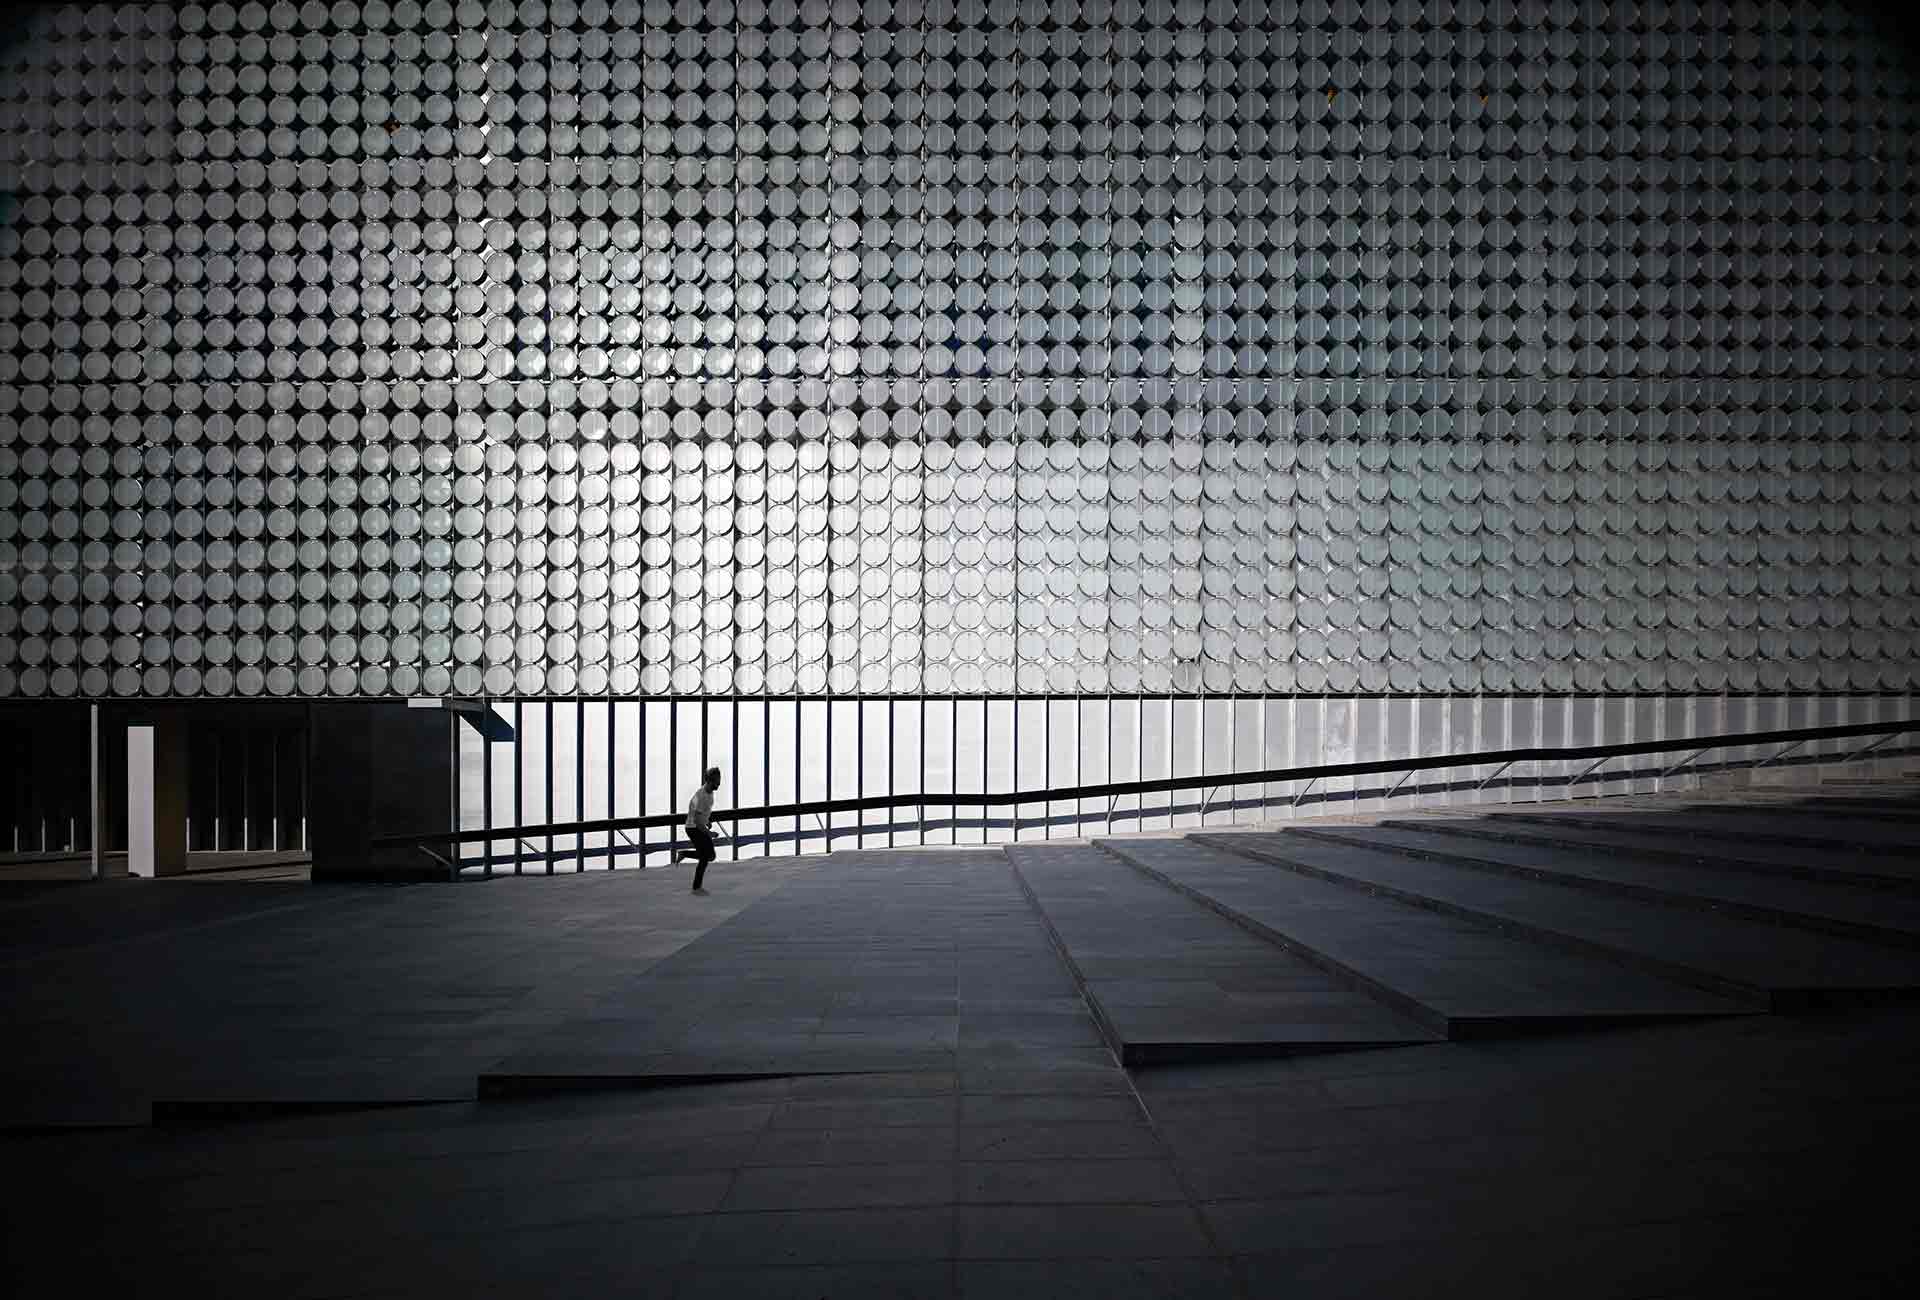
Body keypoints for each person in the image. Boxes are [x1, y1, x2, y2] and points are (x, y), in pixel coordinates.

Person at [675, 766, 724, 893]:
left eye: (719, 780)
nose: (719, 783)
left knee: (710, 856)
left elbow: (702, 813)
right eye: (717, 781)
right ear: (709, 781)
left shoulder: (709, 792)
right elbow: (696, 820)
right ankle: (696, 888)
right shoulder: (701, 796)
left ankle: (684, 854)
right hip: (693, 828)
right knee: (705, 857)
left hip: (699, 826)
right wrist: (709, 833)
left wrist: (707, 821)